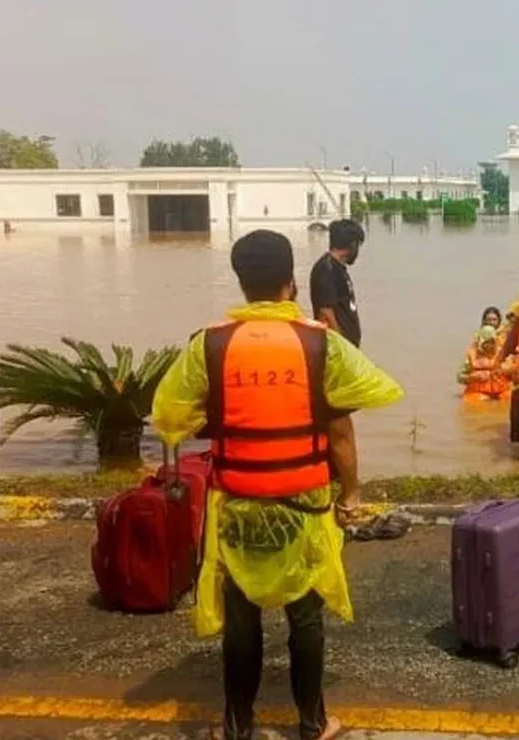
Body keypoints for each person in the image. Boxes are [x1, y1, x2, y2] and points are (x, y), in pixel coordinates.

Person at [153, 229, 403, 740]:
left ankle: (236, 726)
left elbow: (168, 415)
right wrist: (350, 493)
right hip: (305, 502)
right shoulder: (319, 342)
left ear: (242, 283)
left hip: (239, 501)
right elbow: (345, 422)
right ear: (291, 282)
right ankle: (312, 723)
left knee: (241, 620)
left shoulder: (210, 344)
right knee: (305, 617)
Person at [309, 219, 365, 347]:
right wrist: (342, 348)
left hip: (348, 349)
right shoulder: (326, 269)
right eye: (358, 245)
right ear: (352, 244)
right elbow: (325, 313)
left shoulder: (337, 268)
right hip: (339, 351)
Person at [457, 325, 511, 403]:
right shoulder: (472, 355)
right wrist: (471, 378)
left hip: (501, 391)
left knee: (509, 398)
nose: (489, 346)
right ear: (480, 342)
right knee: (476, 401)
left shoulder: (503, 353)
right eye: (486, 343)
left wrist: (504, 370)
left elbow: (514, 374)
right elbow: (459, 377)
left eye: (492, 342)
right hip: (477, 392)